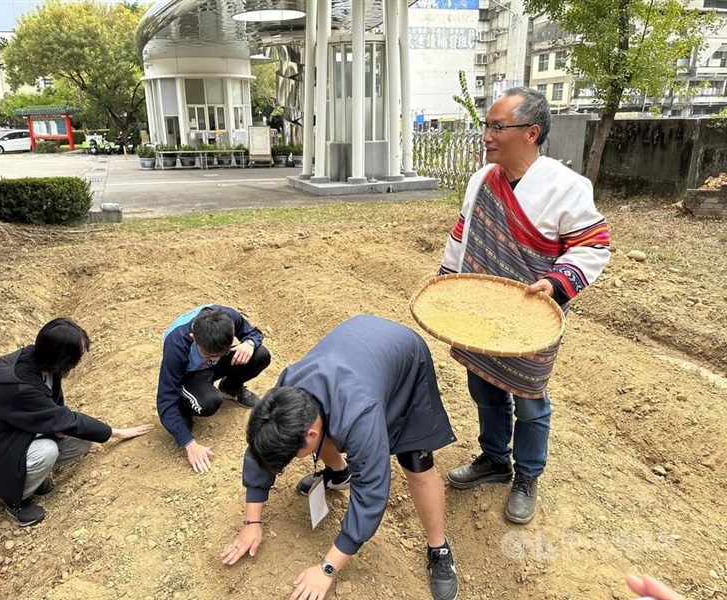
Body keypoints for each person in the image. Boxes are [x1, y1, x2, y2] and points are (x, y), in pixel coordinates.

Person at [438, 87, 611, 524]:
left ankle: (527, 475)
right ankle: (495, 460)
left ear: (531, 132)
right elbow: (463, 233)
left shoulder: (567, 186)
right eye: (487, 125)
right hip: (482, 304)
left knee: (530, 396)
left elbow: (593, 246)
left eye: (498, 126)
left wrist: (557, 282)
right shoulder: (481, 180)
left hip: (533, 311)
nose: (487, 135)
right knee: (483, 384)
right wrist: (447, 281)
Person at [222, 315, 459, 600]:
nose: (293, 459)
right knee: (321, 424)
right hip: (357, 349)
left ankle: (439, 547)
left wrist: (327, 569)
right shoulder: (287, 393)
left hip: (405, 358)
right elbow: (262, 447)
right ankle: (339, 473)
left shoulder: (360, 416)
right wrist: (252, 522)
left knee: (416, 465)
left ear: (309, 435)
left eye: (294, 454)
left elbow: (371, 493)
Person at [0, 318, 153, 527]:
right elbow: (66, 419)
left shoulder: (43, 365)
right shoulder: (22, 387)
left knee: (82, 441)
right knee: (47, 450)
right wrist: (116, 432)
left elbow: (57, 411)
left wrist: (61, 427)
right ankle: (15, 500)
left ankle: (29, 479)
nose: (81, 359)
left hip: (19, 435)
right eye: (79, 354)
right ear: (62, 357)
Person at [156, 304, 271, 474]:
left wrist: (249, 342)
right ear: (193, 337)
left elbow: (253, 333)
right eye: (209, 355)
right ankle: (184, 407)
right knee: (209, 402)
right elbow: (165, 398)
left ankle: (230, 388)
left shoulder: (228, 317)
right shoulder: (177, 344)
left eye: (220, 353)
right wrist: (188, 443)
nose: (215, 358)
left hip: (210, 367)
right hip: (190, 374)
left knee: (260, 355)